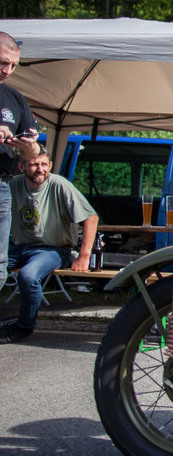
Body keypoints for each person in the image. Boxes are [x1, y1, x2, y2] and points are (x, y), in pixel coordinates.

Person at [0, 147, 98, 343]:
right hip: (18, 246)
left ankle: (24, 326)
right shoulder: (12, 184)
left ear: (50, 166)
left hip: (53, 248)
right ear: (21, 166)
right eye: (34, 164)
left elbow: (91, 217)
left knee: (28, 276)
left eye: (44, 164)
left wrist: (84, 255)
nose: (40, 169)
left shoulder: (59, 184)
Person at [0, 32, 41, 313]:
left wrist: (27, 145)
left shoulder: (15, 98)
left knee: (0, 265)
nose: (7, 70)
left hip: (2, 186)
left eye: (13, 65)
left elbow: (34, 155)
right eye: (2, 63)